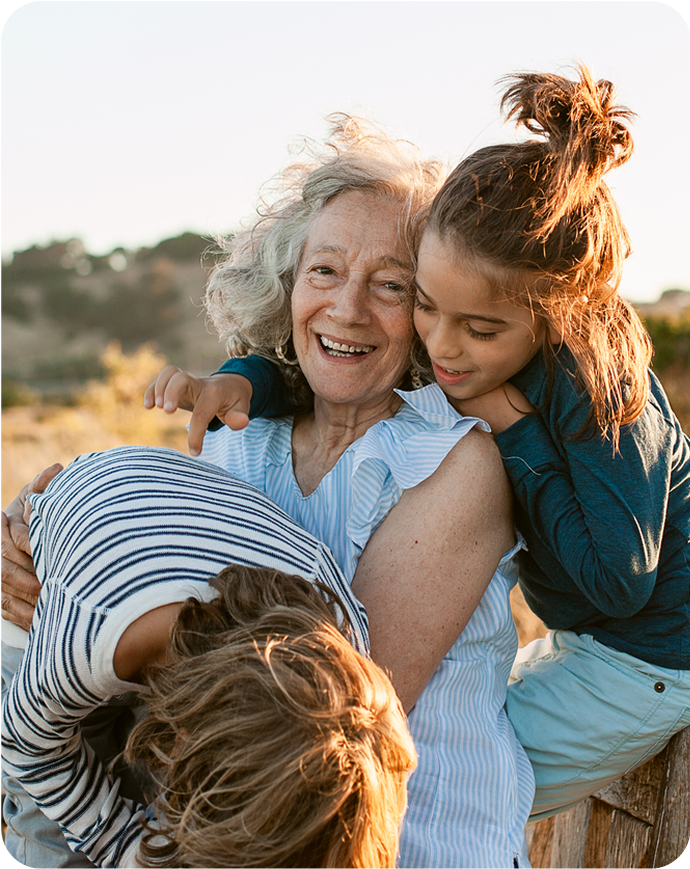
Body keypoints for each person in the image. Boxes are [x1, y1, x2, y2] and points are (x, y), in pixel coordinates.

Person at [147, 67, 690, 820]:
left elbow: (620, 578)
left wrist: (517, 432)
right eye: (427, 306)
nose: (442, 343)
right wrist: (241, 379)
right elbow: (322, 370)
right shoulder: (487, 332)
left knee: (468, 773)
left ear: (552, 313)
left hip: (648, 657)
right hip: (585, 639)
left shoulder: (591, 392)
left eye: (395, 289)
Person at [3, 115, 534, 869]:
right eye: (324, 271)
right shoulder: (235, 436)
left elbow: (327, 708)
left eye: (390, 285)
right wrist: (34, 552)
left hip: (408, 842)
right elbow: (144, 570)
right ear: (287, 287)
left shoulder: (456, 463)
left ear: (430, 311)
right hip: (214, 836)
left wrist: (75, 621)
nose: (347, 308)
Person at [1, 445, 415, 869]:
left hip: (170, 547)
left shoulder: (343, 635)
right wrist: (127, 854)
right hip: (77, 574)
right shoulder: (83, 636)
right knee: (49, 836)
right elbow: (27, 746)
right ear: (181, 739)